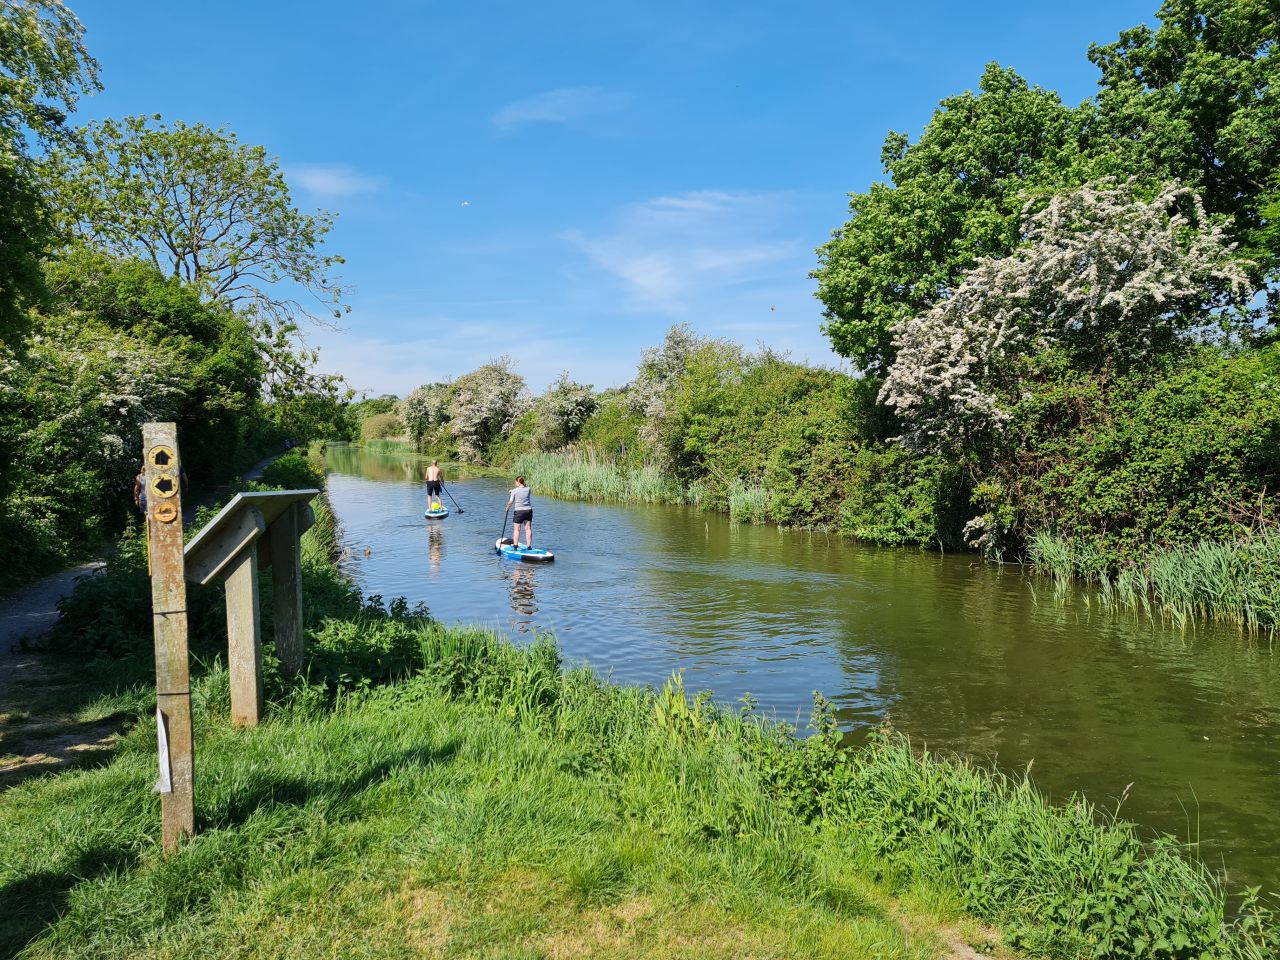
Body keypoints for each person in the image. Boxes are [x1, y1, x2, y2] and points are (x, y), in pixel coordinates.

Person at [506, 475, 533, 550]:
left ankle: (515, 546)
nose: (515, 483)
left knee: (517, 529)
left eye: (515, 482)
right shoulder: (528, 489)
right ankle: (529, 546)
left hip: (519, 512)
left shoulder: (514, 491)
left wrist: (507, 507)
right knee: (528, 529)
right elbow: (522, 491)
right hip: (528, 510)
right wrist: (512, 491)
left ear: (518, 482)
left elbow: (511, 501)